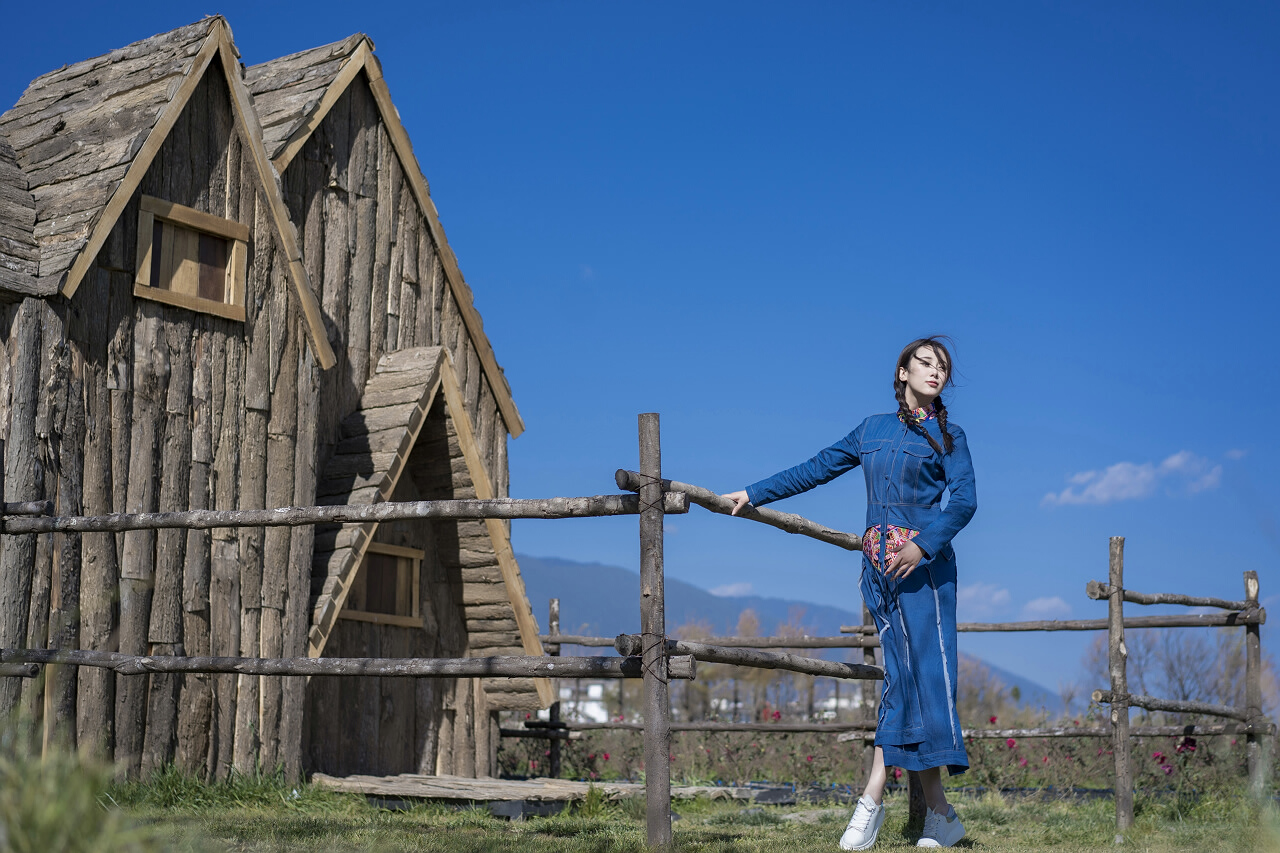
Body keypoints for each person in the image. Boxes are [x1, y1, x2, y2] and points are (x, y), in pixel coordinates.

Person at [722, 337, 976, 849]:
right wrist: (753, 493)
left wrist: (923, 547)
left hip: (923, 575)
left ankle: (871, 801)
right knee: (902, 682)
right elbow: (814, 469)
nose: (934, 372)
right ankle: (942, 816)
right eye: (924, 363)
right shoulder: (871, 430)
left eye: (942, 368)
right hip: (878, 576)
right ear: (902, 372)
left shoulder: (950, 436)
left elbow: (965, 501)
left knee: (924, 681)